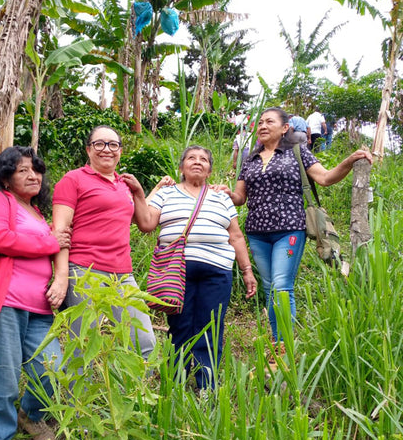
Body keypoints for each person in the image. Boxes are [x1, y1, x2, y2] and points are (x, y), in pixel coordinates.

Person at [214, 107, 372, 353]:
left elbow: (326, 178)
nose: (263, 126)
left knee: (281, 285)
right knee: (269, 288)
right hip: (256, 233)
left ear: (285, 128)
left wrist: (350, 160)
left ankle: (285, 346)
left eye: (270, 122)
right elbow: (240, 197)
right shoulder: (250, 160)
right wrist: (227, 193)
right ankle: (279, 343)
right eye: (261, 123)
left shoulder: (298, 152)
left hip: (289, 230)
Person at [0, 146, 71, 440]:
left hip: (40, 311)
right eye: (23, 170)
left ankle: (29, 415)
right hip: (4, 307)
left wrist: (59, 276)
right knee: (2, 385)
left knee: (55, 372)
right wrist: (50, 242)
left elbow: (53, 248)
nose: (33, 175)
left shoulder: (37, 213)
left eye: (36, 170)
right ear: (6, 176)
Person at [131, 145, 257, 390]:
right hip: (176, 270)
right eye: (191, 158)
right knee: (180, 325)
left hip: (218, 270)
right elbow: (146, 224)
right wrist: (140, 192)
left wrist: (247, 271)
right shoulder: (166, 194)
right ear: (181, 167)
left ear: (210, 169)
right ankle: (174, 381)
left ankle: (206, 385)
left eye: (203, 159)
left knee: (211, 325)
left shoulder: (222, 197)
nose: (197, 162)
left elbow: (236, 236)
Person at [48, 125, 156, 364]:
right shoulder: (73, 179)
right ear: (88, 149)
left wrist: (138, 192)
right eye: (99, 144)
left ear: (120, 150)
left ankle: (134, 399)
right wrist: (61, 276)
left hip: (123, 274)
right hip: (85, 272)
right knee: (84, 345)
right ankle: (77, 399)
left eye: (113, 144)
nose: (107, 149)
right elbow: (60, 231)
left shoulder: (124, 184)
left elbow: (146, 224)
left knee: (145, 343)